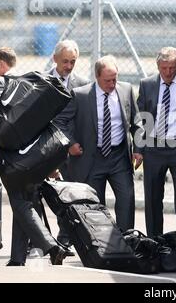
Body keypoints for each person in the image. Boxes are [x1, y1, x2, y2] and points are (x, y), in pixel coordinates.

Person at [0, 47, 67, 266]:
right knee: (24, 203)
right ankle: (17, 257)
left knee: (20, 204)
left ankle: (51, 246)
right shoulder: (25, 85)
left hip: (13, 159)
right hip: (35, 157)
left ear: (1, 64)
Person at [54, 55, 143, 231]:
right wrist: (71, 143)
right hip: (92, 158)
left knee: (126, 199)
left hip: (119, 158)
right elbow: (60, 122)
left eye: (114, 79)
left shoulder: (125, 90)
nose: (112, 84)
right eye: (107, 80)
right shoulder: (81, 95)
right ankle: (101, 248)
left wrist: (139, 149)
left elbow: (137, 122)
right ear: (97, 77)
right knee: (95, 206)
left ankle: (127, 242)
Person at [137, 47, 176, 237]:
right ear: (158, 66)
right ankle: (155, 241)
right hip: (154, 147)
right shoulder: (147, 84)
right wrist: (138, 149)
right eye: (164, 68)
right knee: (153, 199)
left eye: (172, 68)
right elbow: (140, 118)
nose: (168, 72)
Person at [47, 39, 90, 253]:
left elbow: (81, 119)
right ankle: (37, 239)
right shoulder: (42, 81)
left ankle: (65, 239)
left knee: (69, 194)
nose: (69, 66)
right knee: (42, 195)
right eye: (65, 61)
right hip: (46, 149)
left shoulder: (82, 84)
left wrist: (73, 143)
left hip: (71, 151)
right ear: (55, 59)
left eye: (73, 61)